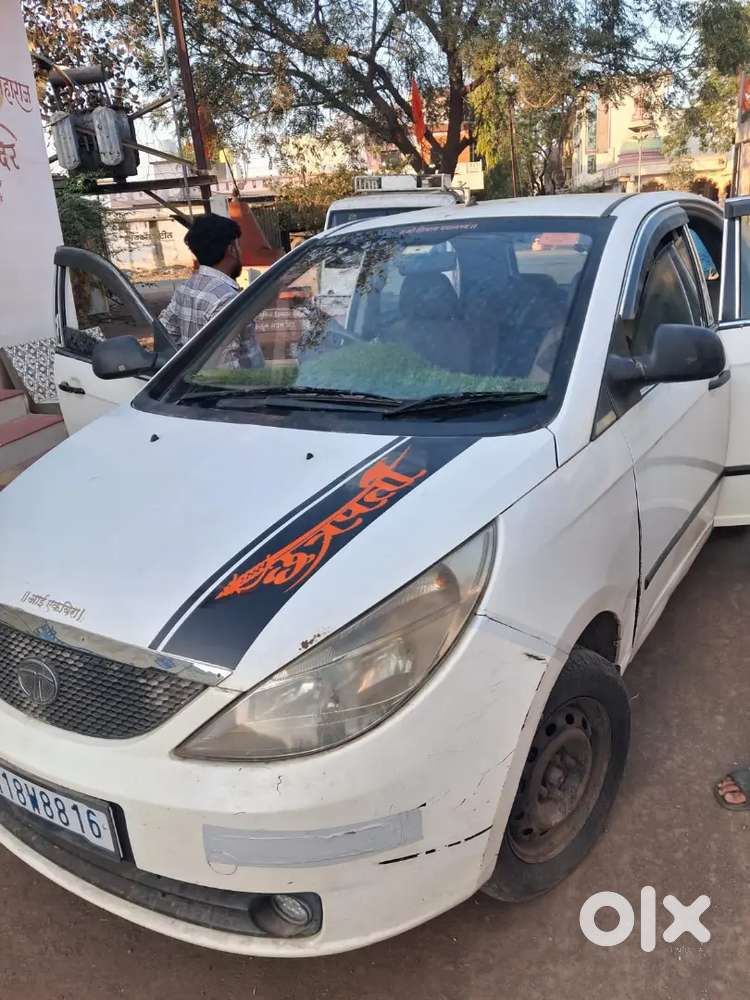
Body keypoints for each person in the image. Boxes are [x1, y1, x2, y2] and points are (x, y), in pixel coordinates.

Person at [160, 214, 264, 368]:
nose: (241, 252)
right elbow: (229, 367)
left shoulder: (186, 289)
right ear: (232, 250)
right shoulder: (226, 299)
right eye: (238, 246)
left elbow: (166, 334)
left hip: (196, 383)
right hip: (236, 388)